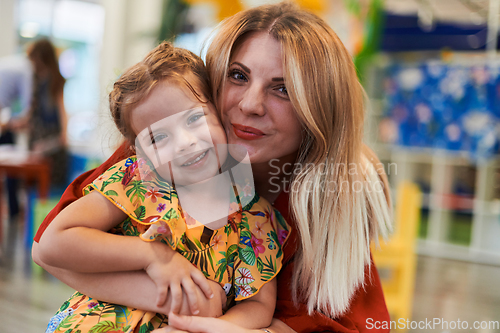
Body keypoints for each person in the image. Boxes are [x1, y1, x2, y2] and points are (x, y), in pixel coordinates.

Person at [33, 2, 393, 332]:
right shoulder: (163, 142)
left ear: (320, 108)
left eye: (282, 89)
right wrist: (178, 296)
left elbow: (344, 323)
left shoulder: (325, 198)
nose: (251, 105)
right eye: (238, 75)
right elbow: (49, 250)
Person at [38, 42, 289, 333]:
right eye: (159, 138)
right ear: (140, 152)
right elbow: (55, 242)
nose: (185, 142)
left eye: (194, 118)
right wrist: (153, 256)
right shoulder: (139, 182)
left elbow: (258, 306)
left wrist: (201, 328)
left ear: (219, 112)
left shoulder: (256, 219)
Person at [26, 38, 69, 188]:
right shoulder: (35, 79)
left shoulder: (55, 80)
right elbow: (32, 110)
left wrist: (65, 132)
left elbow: (61, 107)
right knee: (32, 182)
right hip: (37, 137)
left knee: (50, 184)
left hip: (51, 138)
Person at [0, 52, 33, 220]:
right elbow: (28, 109)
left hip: (4, 116)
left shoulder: (12, 63)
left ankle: (13, 210)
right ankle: (14, 211)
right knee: (11, 170)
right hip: (4, 122)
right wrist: (21, 123)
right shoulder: (27, 70)